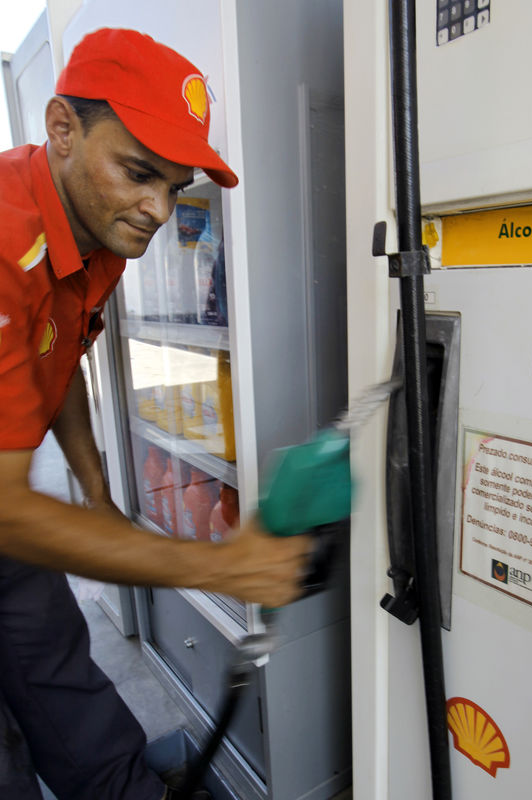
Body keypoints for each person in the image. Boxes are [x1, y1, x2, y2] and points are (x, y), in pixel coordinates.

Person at [0, 27, 312, 800]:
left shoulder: (97, 236)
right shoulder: (5, 247)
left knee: (55, 663)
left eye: (175, 185)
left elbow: (59, 350)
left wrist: (96, 490)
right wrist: (216, 564)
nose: (158, 209)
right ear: (62, 129)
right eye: (139, 173)